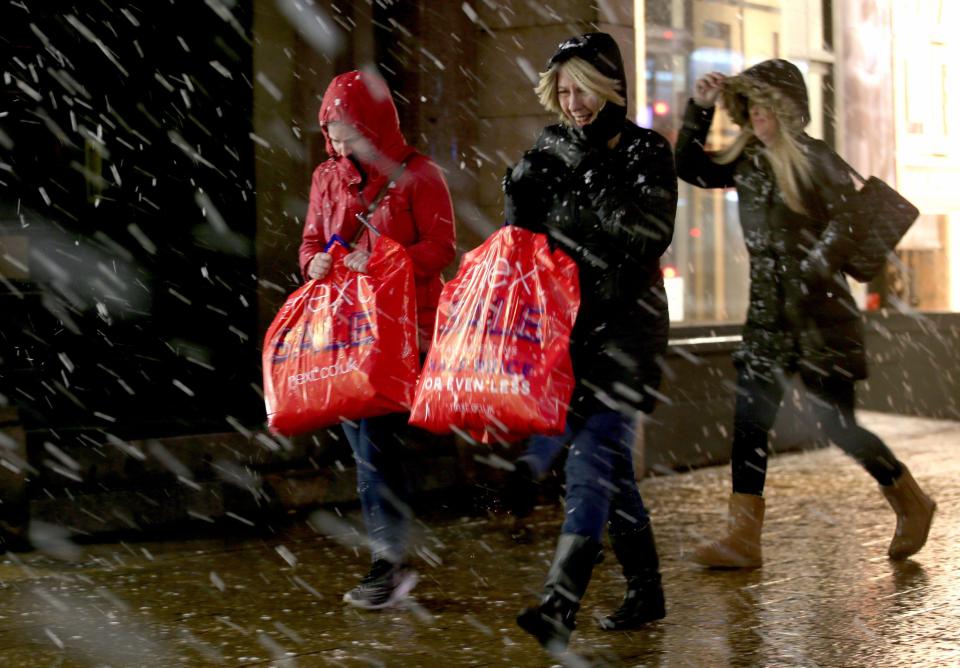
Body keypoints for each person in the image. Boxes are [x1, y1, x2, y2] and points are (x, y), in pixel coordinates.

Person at [675, 60, 936, 568]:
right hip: (768, 319)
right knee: (750, 423)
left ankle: (911, 501)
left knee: (838, 425)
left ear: (788, 112)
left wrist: (809, 273)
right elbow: (690, 167)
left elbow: (845, 228)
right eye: (748, 109)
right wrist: (699, 110)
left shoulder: (819, 160)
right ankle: (742, 538)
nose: (755, 119)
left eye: (764, 109)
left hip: (821, 319)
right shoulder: (747, 159)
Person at [503, 33, 677, 652]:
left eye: (583, 89)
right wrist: (518, 190)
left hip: (629, 330)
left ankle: (559, 603)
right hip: (567, 332)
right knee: (607, 466)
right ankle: (646, 589)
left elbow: (647, 235)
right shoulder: (554, 145)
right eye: (564, 91)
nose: (574, 103)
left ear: (609, 87)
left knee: (589, 464)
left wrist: (588, 175)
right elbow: (524, 239)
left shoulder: (646, 149)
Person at [299, 70, 456, 608]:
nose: (339, 146)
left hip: (400, 332)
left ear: (375, 127)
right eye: (332, 135)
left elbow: (441, 247)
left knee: (375, 448)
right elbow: (311, 242)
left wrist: (387, 261)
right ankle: (393, 558)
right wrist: (313, 263)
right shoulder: (326, 177)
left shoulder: (419, 174)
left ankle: (387, 564)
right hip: (344, 330)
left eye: (348, 134)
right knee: (369, 450)